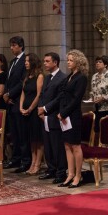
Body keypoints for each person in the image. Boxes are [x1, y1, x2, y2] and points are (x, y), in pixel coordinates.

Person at [57, 49, 88, 188]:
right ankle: (70, 174)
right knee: (67, 145)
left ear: (78, 61)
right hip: (64, 114)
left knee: (75, 145)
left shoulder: (81, 77)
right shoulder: (70, 76)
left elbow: (76, 99)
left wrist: (63, 113)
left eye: (71, 60)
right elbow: (63, 95)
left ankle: (78, 175)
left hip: (73, 115)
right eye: (68, 60)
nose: (68, 62)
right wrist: (60, 112)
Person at [38, 52, 67, 184]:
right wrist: (40, 110)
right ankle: (51, 169)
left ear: (55, 62)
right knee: (48, 145)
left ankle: (61, 172)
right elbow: (42, 95)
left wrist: (45, 109)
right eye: (44, 61)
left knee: (57, 146)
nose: (45, 63)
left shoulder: (62, 78)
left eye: (47, 61)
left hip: (55, 116)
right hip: (45, 117)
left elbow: (60, 97)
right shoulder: (47, 77)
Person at [3, 36, 31, 173]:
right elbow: (9, 80)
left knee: (22, 133)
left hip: (19, 100)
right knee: (14, 133)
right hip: (10, 102)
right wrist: (6, 94)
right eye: (11, 45)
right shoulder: (13, 61)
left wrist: (10, 94)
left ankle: (25, 161)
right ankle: (15, 158)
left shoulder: (25, 60)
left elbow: (22, 81)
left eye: (13, 45)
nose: (11, 48)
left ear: (20, 46)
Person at [19, 53, 44, 175]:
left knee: (38, 139)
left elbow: (39, 95)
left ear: (33, 62)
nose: (26, 63)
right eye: (25, 61)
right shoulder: (26, 76)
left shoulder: (39, 76)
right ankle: (32, 162)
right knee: (31, 139)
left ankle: (37, 164)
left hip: (34, 111)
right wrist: (21, 107)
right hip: (25, 111)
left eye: (28, 61)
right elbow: (23, 93)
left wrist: (29, 108)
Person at [88, 55, 108, 143]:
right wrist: (91, 98)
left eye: (100, 62)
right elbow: (93, 90)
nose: (97, 64)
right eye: (96, 62)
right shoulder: (94, 76)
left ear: (106, 64)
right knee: (96, 129)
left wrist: (103, 98)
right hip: (96, 107)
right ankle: (97, 148)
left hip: (107, 107)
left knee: (105, 131)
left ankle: (106, 149)